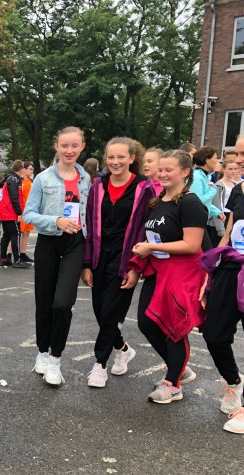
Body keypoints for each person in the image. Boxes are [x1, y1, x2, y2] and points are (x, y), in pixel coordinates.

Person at [129, 150, 206, 404]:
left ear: (184, 172)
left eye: (168, 170)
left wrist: (152, 247)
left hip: (182, 274)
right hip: (158, 271)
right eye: (160, 170)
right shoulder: (157, 200)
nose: (162, 174)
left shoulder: (191, 203)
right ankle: (179, 369)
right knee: (147, 322)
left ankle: (173, 383)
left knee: (174, 328)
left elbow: (192, 245)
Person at [81, 138, 154, 388]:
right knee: (101, 312)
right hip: (100, 256)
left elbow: (145, 229)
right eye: (111, 157)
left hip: (125, 258)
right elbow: (90, 224)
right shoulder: (98, 186)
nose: (115, 162)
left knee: (111, 312)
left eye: (121, 157)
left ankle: (99, 365)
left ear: (132, 158)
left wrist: (135, 266)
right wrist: (86, 264)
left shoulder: (144, 188)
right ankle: (122, 348)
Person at [23, 126, 91, 386]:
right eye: (64, 146)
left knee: (62, 304)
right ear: (57, 147)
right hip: (49, 242)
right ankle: (42, 352)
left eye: (74, 145)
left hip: (76, 243)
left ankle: (55, 360)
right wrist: (56, 221)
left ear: (82, 147)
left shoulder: (87, 179)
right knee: (44, 302)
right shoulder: (43, 179)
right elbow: (28, 214)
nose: (69, 150)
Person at [203, 134, 244, 432]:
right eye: (237, 154)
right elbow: (228, 233)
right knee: (214, 333)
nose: (238, 160)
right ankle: (234, 382)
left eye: (243, 154)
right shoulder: (239, 190)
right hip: (230, 268)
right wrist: (211, 274)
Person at [0, 160, 30, 269]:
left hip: (4, 210)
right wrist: (19, 213)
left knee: (7, 235)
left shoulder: (9, 177)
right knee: (16, 234)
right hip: (9, 211)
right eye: (24, 168)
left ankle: (3, 259)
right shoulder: (14, 179)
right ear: (21, 169)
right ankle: (17, 260)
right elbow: (14, 197)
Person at [190, 146, 225, 247]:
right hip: (194, 222)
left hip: (199, 221)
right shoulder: (197, 177)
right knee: (208, 251)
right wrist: (214, 189)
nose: (217, 161)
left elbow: (206, 202)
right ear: (207, 160)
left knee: (207, 251)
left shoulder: (205, 176)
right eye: (215, 158)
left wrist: (217, 212)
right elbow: (198, 201)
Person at [18, 161, 35, 263]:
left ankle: (23, 253)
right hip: (21, 210)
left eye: (32, 169)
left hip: (29, 210)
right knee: (18, 233)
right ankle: (10, 254)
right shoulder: (19, 181)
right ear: (24, 169)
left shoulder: (30, 180)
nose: (32, 171)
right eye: (30, 169)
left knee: (26, 233)